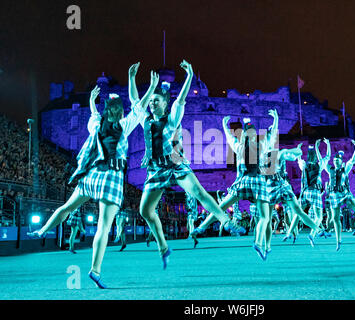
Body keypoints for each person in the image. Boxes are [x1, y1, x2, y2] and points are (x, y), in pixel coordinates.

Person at [27, 64, 152, 288]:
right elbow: (139, 107)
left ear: (106, 110)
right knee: (104, 227)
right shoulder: (124, 125)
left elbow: (94, 113)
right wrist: (149, 86)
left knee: (66, 207)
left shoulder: (96, 125)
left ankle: (42, 230)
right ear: (120, 111)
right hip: (111, 178)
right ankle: (95, 270)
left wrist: (92, 100)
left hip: (91, 175)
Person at [131, 60, 245, 269]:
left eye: (156, 101)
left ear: (165, 104)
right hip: (156, 168)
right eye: (151, 102)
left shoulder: (173, 118)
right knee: (145, 211)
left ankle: (227, 222)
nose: (152, 103)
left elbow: (182, 98)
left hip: (174, 162)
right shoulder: (145, 120)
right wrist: (131, 79)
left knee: (199, 193)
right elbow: (134, 101)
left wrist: (190, 75)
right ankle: (164, 247)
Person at [190, 113, 277, 260]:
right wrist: (276, 119)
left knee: (221, 206)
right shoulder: (262, 145)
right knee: (264, 217)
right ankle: (258, 242)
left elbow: (230, 138)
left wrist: (224, 125)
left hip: (242, 182)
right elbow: (273, 133)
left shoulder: (240, 147)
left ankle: (202, 227)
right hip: (258, 182)